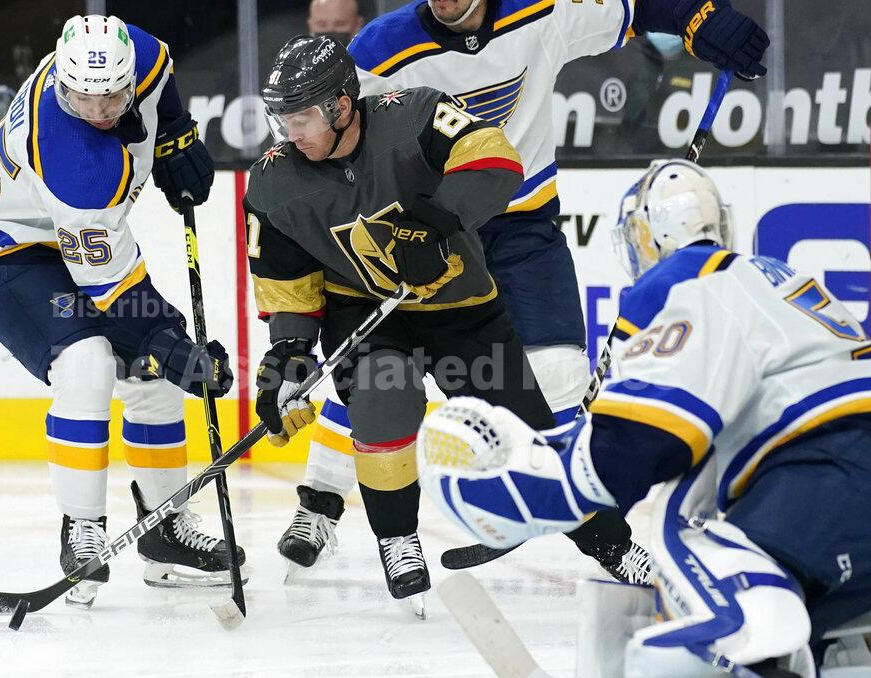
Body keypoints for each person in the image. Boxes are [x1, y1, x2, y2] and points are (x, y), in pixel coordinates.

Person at [277, 0, 768, 581]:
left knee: (559, 378)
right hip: (428, 232)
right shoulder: (381, 48)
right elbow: (312, 131)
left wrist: (697, 15)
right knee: (377, 370)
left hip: (522, 226)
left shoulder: (542, 14)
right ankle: (320, 502)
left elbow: (637, 8)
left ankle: (604, 535)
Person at [417, 160, 871, 678]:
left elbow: (636, 442)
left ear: (648, 234)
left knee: (701, 590)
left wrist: (536, 491)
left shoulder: (680, 282)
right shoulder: (778, 277)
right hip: (840, 476)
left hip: (827, 471)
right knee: (828, 638)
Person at [246, 34, 558, 611]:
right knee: (380, 394)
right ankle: (396, 538)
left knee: (534, 438)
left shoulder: (413, 115)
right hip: (367, 314)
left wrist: (437, 221)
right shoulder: (274, 180)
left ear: (342, 106)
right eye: (281, 118)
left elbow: (493, 157)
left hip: (461, 310)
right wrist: (288, 351)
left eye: (302, 118)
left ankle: (616, 547)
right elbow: (289, 282)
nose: (290, 133)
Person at [0, 15, 243, 608]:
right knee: (88, 362)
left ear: (128, 78)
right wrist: (171, 343)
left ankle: (165, 532)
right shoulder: (76, 167)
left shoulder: (139, 53)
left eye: (111, 96)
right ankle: (82, 528)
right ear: (62, 81)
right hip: (9, 258)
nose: (98, 111)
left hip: (79, 243)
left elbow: (163, 75)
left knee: (154, 378)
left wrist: (177, 135)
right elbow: (112, 293)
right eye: (81, 99)